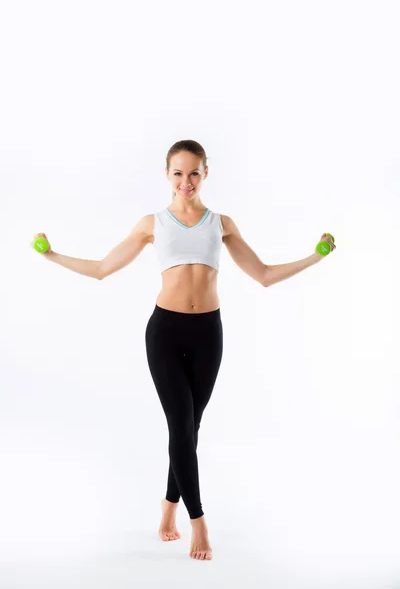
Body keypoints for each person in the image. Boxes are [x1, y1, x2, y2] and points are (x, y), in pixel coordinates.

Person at [31, 139, 336, 561]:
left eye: (194, 172)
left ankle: (167, 508)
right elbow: (102, 269)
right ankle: (198, 522)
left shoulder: (222, 223)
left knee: (189, 430)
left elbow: (263, 274)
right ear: (167, 175)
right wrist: (52, 256)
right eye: (178, 173)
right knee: (180, 425)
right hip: (165, 333)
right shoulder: (151, 223)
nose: (186, 181)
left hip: (209, 333)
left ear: (206, 173)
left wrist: (314, 258)